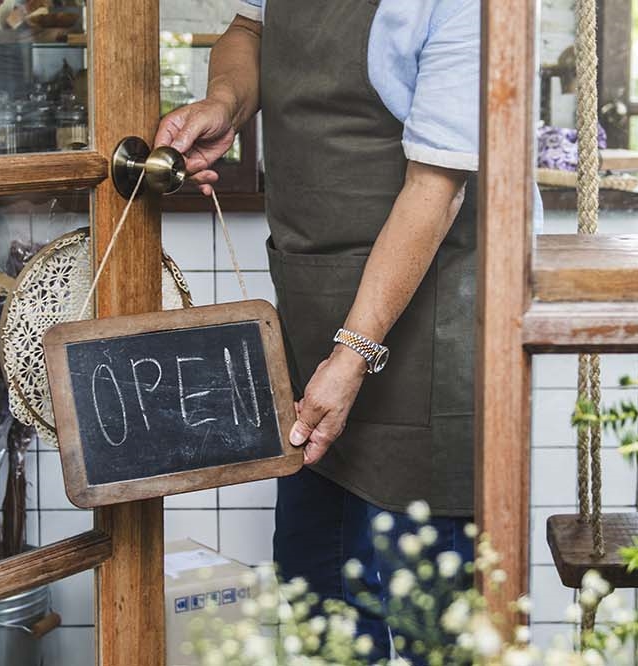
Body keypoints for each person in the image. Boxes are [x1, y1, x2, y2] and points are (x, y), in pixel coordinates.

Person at [155, 0, 528, 660]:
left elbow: (435, 189)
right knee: (316, 600)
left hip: (425, 339)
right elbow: (248, 28)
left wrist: (353, 353)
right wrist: (226, 102)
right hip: (312, 325)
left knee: (427, 624)